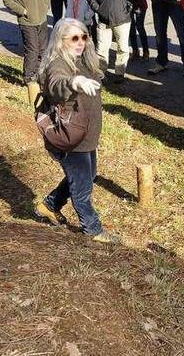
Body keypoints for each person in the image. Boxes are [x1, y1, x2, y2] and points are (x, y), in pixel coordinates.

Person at [34, 18, 120, 244]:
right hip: (70, 138)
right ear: (61, 41)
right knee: (82, 189)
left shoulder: (83, 60)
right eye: (74, 38)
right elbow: (55, 84)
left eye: (84, 36)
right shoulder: (58, 64)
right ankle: (93, 230)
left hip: (86, 136)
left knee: (87, 177)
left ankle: (48, 206)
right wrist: (73, 83)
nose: (80, 42)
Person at [87, 0, 143, 83]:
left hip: (122, 19)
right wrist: (98, 9)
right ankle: (101, 74)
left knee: (122, 48)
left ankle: (119, 73)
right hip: (103, 19)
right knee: (101, 50)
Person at [3, 0, 51, 86]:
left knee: (43, 49)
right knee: (32, 50)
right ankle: (29, 78)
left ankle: (40, 75)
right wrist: (22, 11)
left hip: (42, 19)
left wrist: (45, 6)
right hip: (27, 21)